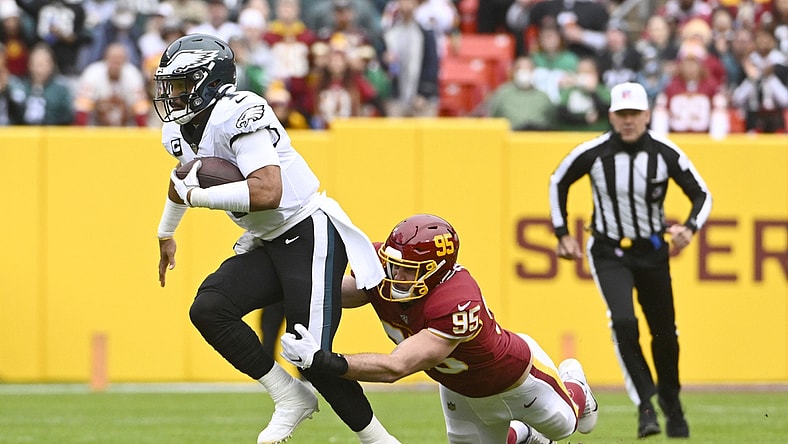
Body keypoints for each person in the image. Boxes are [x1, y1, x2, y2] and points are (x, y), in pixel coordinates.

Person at [152, 33, 399, 444]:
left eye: (180, 85)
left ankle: (379, 440)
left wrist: (198, 198)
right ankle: (289, 396)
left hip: (307, 229)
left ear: (208, 82)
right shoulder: (178, 132)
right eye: (170, 87)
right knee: (211, 308)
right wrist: (166, 233)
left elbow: (269, 191)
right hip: (268, 240)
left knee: (311, 355)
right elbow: (181, 182)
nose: (173, 96)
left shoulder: (240, 111)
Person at [279, 213, 599, 444]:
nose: (393, 276)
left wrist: (322, 360)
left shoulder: (457, 301)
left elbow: (396, 367)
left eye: (406, 270)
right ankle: (522, 437)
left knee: (566, 426)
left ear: (434, 272)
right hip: (458, 386)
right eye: (392, 266)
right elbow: (344, 291)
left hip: (515, 379)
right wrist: (287, 284)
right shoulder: (386, 268)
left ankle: (576, 388)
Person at [548, 82, 712, 439]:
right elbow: (558, 179)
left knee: (664, 334)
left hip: (652, 252)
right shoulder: (595, 153)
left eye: (634, 114)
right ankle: (646, 404)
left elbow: (701, 192)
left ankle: (672, 399)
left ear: (647, 115)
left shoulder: (664, 153)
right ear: (611, 116)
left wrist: (691, 226)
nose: (628, 121)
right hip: (609, 250)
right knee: (623, 321)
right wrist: (561, 232)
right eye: (621, 114)